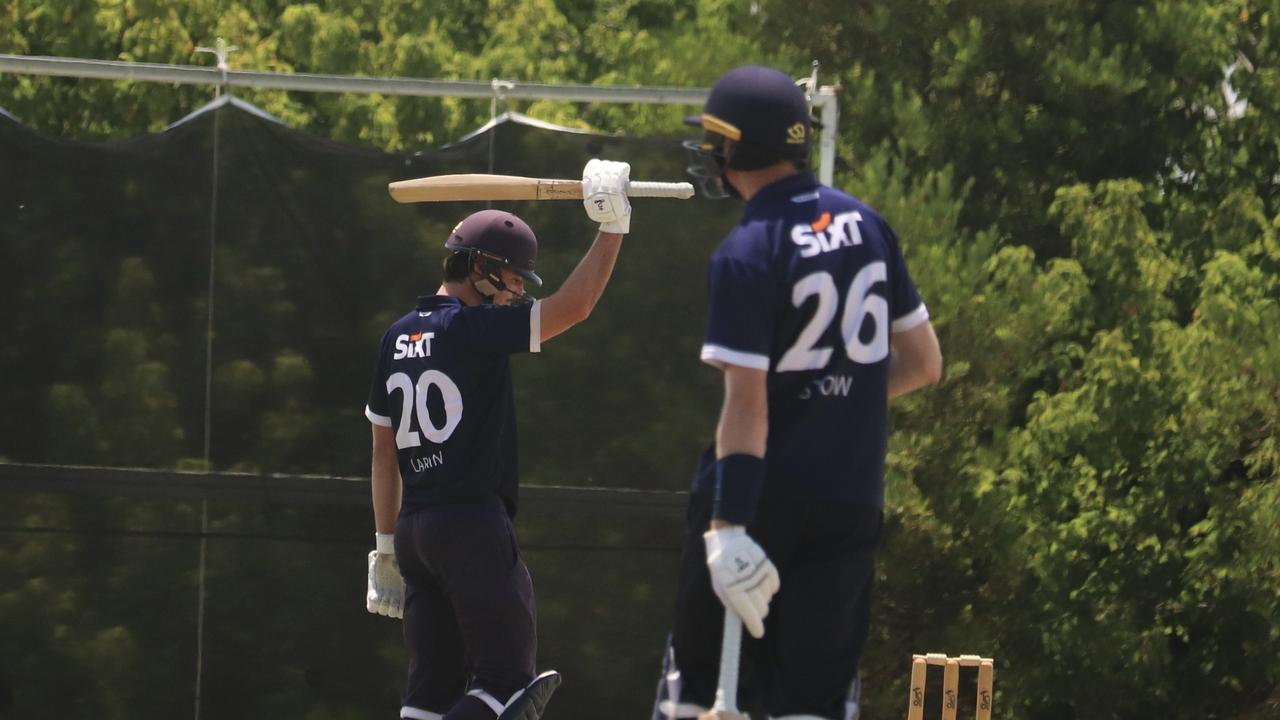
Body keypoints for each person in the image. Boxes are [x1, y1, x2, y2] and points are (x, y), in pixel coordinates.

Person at [655, 66, 943, 720]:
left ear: (739, 147)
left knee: (698, 698)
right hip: (849, 499)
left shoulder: (748, 248)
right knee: (811, 705)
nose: (712, 154)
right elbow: (925, 364)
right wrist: (839, 405)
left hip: (761, 501)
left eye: (717, 141)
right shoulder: (870, 226)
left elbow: (747, 404)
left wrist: (726, 528)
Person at [364, 159, 634, 720]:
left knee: (427, 701)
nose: (516, 294)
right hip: (470, 529)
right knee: (509, 686)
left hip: (416, 533)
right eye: (513, 279)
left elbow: (383, 452)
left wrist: (386, 544)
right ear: (480, 268)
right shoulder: (472, 330)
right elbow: (575, 307)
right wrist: (612, 230)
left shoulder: (395, 337)